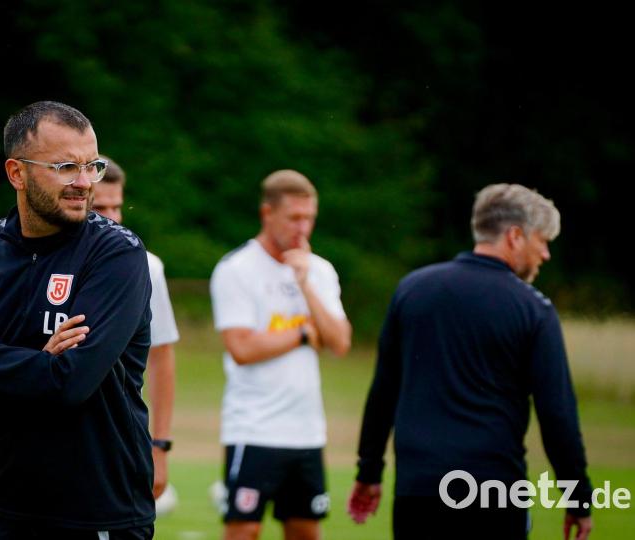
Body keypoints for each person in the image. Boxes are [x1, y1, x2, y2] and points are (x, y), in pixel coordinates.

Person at [0, 101, 155, 539]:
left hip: (97, 515)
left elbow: (70, 383)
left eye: (91, 166)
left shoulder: (116, 255)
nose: (84, 183)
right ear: (17, 173)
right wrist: (36, 365)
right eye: (65, 167)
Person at [349, 183, 593, 540]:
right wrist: (578, 497)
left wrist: (368, 471)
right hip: (493, 491)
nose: (545, 254)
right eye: (542, 241)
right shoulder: (533, 310)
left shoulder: (412, 290)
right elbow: (557, 414)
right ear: (514, 236)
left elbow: (384, 390)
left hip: (419, 490)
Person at [210, 170, 352, 540]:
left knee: (305, 529)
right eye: (294, 218)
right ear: (266, 214)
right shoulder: (236, 269)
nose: (302, 227)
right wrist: (305, 332)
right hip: (254, 428)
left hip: (306, 432)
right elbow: (242, 348)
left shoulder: (319, 271)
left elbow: (339, 342)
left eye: (309, 218)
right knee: (244, 530)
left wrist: (305, 284)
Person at [92, 157, 180, 505]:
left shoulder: (147, 267)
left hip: (120, 441)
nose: (113, 217)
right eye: (100, 207)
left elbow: (162, 358)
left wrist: (159, 446)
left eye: (117, 206)